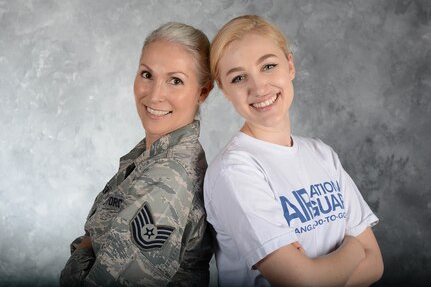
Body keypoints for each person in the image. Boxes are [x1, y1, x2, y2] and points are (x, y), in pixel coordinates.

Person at [204, 15, 384, 287]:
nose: (259, 87)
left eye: (268, 66)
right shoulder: (235, 171)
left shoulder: (321, 154)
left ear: (290, 66)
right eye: (239, 77)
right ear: (224, 89)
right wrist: (354, 248)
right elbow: (304, 282)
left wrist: (317, 271)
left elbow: (375, 264)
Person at [60, 22, 214, 286]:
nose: (155, 95)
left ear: (202, 91)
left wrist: (86, 248)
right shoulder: (151, 154)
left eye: (175, 81)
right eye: (147, 74)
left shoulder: (168, 179)